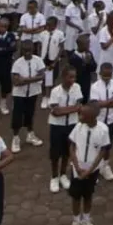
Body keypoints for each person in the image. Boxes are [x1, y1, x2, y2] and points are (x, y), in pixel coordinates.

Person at [68, 103, 110, 225]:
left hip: (92, 169)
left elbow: (102, 151)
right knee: (76, 196)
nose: (80, 116)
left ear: (92, 117)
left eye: (83, 115)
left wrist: (90, 170)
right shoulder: (78, 127)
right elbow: (72, 147)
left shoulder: (103, 129)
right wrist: (76, 166)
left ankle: (86, 219)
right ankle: (75, 222)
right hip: (77, 168)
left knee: (88, 195)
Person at [48, 66, 83, 194]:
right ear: (63, 77)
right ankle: (54, 177)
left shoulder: (77, 88)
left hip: (72, 125)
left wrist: (64, 110)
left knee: (67, 152)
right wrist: (73, 108)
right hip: (57, 126)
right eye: (70, 77)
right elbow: (56, 112)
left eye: (74, 77)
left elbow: (79, 106)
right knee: (55, 153)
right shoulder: (55, 91)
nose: (73, 80)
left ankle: (63, 174)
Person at [10, 42, 46, 153]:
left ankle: (30, 134)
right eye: (25, 50)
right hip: (19, 94)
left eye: (29, 50)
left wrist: (25, 79)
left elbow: (42, 76)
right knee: (17, 115)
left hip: (33, 93)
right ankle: (15, 138)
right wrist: (34, 78)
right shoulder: (17, 63)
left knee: (30, 113)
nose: (27, 53)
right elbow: (16, 81)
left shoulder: (38, 60)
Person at [88, 62, 113, 180]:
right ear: (100, 74)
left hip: (111, 120)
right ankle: (94, 169)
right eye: (104, 76)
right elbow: (95, 104)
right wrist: (110, 101)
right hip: (98, 121)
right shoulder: (95, 87)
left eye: (109, 76)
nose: (107, 78)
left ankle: (105, 166)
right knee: (96, 145)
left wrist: (105, 103)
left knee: (107, 145)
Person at [0, 18, 18, 116]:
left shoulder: (11, 36)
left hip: (7, 65)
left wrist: (1, 50)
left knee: (5, 85)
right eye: (1, 26)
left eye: (6, 26)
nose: (3, 28)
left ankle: (3, 104)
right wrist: (5, 50)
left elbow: (13, 48)